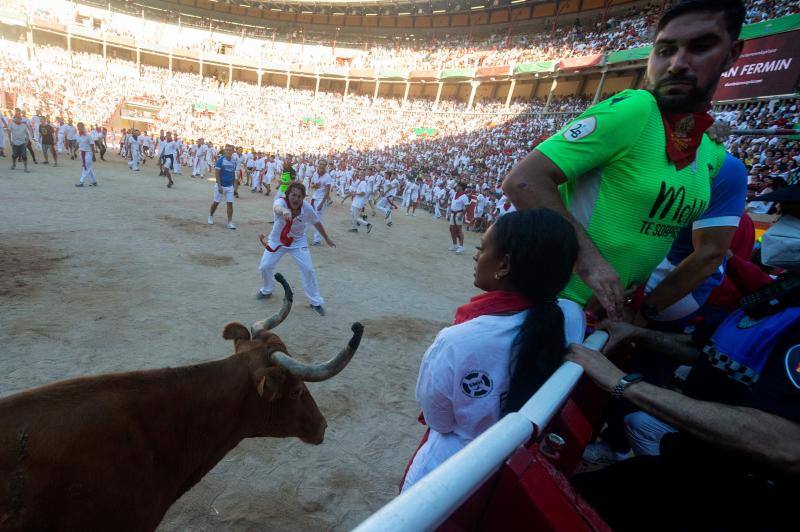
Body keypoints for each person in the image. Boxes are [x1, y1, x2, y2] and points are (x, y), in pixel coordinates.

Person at [567, 186, 800, 530]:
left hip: (747, 498)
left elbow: (786, 444)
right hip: (698, 467)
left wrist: (623, 384)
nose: (783, 225)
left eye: (795, 218)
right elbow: (703, 349)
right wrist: (639, 333)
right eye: (786, 214)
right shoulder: (782, 290)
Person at [502, 0, 741, 321]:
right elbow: (523, 180)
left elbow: (704, 251)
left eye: (701, 47)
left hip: (599, 317)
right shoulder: (637, 108)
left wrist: (638, 310)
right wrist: (590, 263)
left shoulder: (710, 150)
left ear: (733, 53)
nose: (677, 64)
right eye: (665, 50)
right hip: (545, 303)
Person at [401, 209, 585, 491]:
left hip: (448, 473)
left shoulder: (458, 341)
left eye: (482, 247)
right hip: (516, 465)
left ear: (504, 265)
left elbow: (439, 421)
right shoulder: (571, 316)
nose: (476, 256)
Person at [256, 181, 334, 316]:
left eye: (299, 196)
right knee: (265, 266)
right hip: (277, 240)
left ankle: (315, 302)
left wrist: (326, 238)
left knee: (308, 269)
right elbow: (277, 208)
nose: (296, 199)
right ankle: (267, 289)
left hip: (298, 242)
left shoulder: (307, 208)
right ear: (288, 195)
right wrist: (284, 210)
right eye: (293, 195)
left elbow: (316, 222)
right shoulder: (281, 203)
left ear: (303, 198)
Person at [208, 144, 237, 230]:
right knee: (216, 203)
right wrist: (219, 186)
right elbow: (217, 173)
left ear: (232, 151)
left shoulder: (234, 161)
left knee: (230, 204)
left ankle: (230, 222)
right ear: (224, 151)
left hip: (229, 186)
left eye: (230, 150)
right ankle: (210, 216)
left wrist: (234, 186)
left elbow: (233, 173)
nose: (228, 151)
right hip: (220, 185)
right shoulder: (221, 160)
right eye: (227, 150)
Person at [309, 159, 332, 245]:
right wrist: (314, 185)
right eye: (320, 164)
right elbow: (311, 185)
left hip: (320, 200)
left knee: (318, 220)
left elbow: (327, 192)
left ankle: (317, 240)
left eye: (324, 165)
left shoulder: (327, 177)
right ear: (318, 165)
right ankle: (303, 235)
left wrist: (322, 204)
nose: (322, 166)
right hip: (314, 198)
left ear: (326, 166)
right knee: (310, 216)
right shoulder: (315, 173)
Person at [448, 182, 470, 254]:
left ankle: (461, 247)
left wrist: (461, 215)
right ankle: (455, 245)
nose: (456, 187)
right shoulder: (455, 194)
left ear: (461, 187)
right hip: (453, 213)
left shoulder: (464, 196)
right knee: (451, 229)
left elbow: (467, 207)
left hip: (458, 214)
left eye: (457, 186)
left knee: (459, 230)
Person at [74, 122, 98, 187]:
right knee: (88, 168)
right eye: (78, 127)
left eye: (81, 127)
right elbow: (78, 144)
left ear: (83, 127)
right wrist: (74, 151)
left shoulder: (88, 135)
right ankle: (94, 181)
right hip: (81, 153)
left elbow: (92, 145)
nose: (79, 128)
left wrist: (94, 155)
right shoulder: (77, 135)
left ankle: (81, 181)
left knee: (86, 168)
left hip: (88, 153)